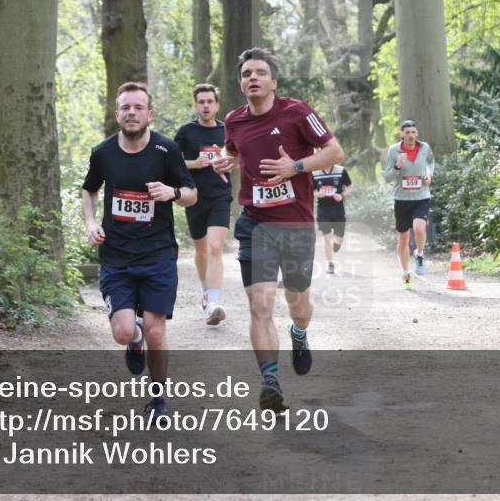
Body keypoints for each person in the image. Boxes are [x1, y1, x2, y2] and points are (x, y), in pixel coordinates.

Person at [213, 48, 344, 412]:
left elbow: (335, 152)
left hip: (296, 223)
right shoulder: (234, 121)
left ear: (274, 82)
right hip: (254, 223)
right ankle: (270, 381)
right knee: (260, 304)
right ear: (241, 83)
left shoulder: (296, 112)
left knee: (297, 303)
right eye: (246, 74)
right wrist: (228, 161)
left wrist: (296, 166)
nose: (252, 78)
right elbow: (237, 153)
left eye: (260, 72)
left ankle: (299, 333)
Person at [82, 82, 197, 419]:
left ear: (150, 113)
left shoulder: (166, 150)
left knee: (157, 329)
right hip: (116, 256)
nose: (131, 113)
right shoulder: (103, 153)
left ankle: (159, 398)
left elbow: (192, 193)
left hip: (158, 254)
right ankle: (134, 340)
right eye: (125, 108)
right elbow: (89, 191)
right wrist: (91, 224)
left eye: (138, 107)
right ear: (117, 114)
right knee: (122, 331)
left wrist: (171, 192)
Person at [173, 83, 232, 325]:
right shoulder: (186, 132)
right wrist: (194, 164)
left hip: (220, 195)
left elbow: (240, 158)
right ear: (196, 105)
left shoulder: (228, 131)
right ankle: (206, 294)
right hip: (195, 197)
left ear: (217, 105)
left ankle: (215, 302)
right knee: (201, 251)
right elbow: (170, 163)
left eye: (210, 101)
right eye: (201, 102)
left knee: (216, 246)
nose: (206, 105)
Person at [384, 119, 435, 289]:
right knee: (404, 237)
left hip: (421, 196)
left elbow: (430, 163)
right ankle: (406, 273)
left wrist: (429, 175)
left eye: (413, 132)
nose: (411, 136)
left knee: (420, 229)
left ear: (417, 133)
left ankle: (419, 254)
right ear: (402, 134)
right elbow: (387, 177)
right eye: (407, 133)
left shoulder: (425, 148)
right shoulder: (393, 151)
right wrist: (397, 167)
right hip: (402, 199)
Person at [312, 163, 353, 274]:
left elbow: (350, 186)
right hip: (323, 209)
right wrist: (317, 194)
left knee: (339, 238)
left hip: (338, 209)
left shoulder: (340, 170)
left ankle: (338, 243)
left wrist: (342, 195)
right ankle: (330, 263)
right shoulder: (315, 172)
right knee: (327, 237)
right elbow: (311, 190)